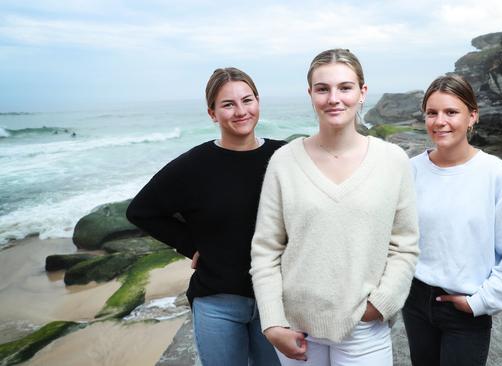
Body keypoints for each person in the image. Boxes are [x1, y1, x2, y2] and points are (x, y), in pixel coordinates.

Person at [249, 48, 420, 366]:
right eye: (322, 88)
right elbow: (266, 250)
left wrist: (380, 305)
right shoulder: (284, 161)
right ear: (310, 94)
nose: (333, 98)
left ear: (362, 92)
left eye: (345, 87)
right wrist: (272, 322)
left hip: (365, 329)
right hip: (297, 330)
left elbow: (405, 245)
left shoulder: (392, 160)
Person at [126, 67, 284, 366]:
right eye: (228, 104)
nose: (240, 111)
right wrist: (190, 245)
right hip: (218, 303)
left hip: (275, 301)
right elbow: (141, 211)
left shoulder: (283, 156)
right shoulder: (193, 165)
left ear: (258, 102)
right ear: (212, 113)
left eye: (247, 100)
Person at [402, 74, 502, 366]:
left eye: (451, 112)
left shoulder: (497, 175)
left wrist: (478, 303)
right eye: (431, 113)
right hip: (415, 301)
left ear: (472, 116)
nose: (439, 121)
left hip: (465, 309)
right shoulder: (410, 170)